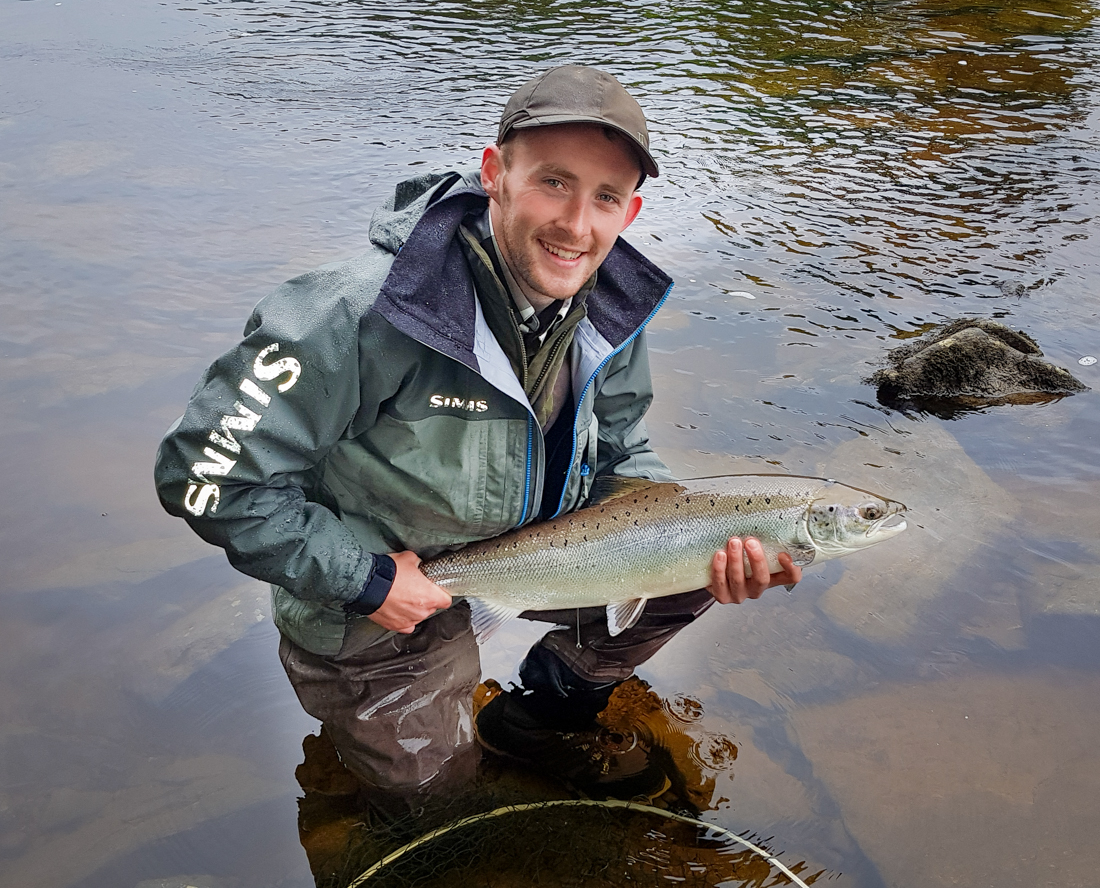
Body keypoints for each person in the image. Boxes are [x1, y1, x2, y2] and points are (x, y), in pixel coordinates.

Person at [154, 65, 801, 808]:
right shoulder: (356, 312)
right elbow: (202, 475)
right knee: (437, 807)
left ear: (632, 210)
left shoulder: (609, 305)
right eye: (553, 183)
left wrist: (701, 534)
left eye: (605, 198)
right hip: (376, 607)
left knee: (694, 557)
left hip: (534, 556)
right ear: (495, 173)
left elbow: (620, 450)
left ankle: (537, 719)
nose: (577, 225)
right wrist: (363, 579)